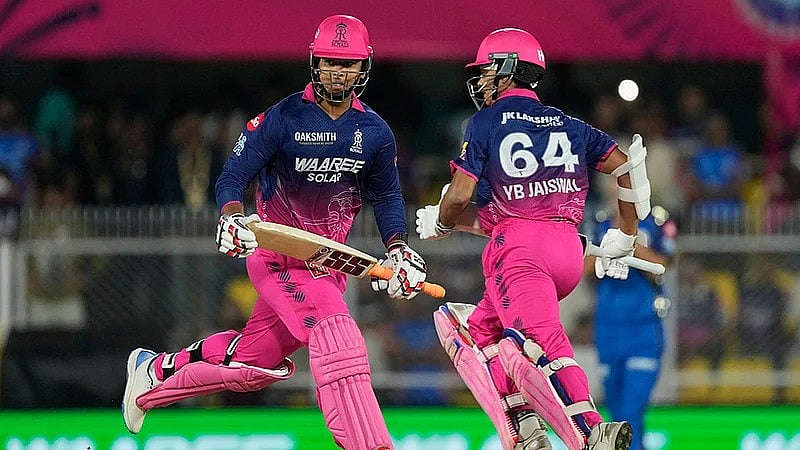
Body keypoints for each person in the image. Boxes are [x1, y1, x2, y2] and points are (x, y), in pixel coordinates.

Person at [121, 14, 429, 450]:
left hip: (327, 266)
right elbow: (231, 178)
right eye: (328, 62)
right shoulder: (282, 119)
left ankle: (153, 374)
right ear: (313, 62)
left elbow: (388, 199)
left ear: (365, 68)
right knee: (338, 335)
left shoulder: (375, 133)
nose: (337, 72)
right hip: (278, 258)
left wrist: (398, 250)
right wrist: (231, 217)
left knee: (251, 365)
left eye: (348, 64)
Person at [413, 28, 651, 450]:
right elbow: (627, 166)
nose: (481, 80)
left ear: (507, 70)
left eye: (486, 71)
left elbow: (464, 196)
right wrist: (627, 234)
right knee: (473, 331)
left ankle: (593, 431)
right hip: (566, 251)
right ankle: (524, 426)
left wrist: (443, 219)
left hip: (519, 254)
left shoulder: (485, 122)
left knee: (540, 342)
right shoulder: (568, 124)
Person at [585, 206, 676, 450]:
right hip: (608, 329)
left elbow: (663, 266)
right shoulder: (599, 222)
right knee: (615, 411)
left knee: (631, 410)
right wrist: (608, 247)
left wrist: (627, 244)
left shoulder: (656, 221)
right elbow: (584, 268)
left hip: (643, 330)